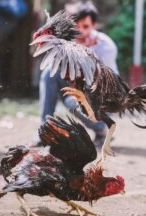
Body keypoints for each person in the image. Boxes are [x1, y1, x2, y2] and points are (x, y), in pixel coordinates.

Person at [38, 1, 119, 147]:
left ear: (94, 25)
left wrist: (86, 55)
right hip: (76, 88)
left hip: (102, 97)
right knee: (49, 73)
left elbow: (106, 84)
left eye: (86, 26)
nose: (80, 30)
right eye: (76, 26)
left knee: (73, 102)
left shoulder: (106, 47)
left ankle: (103, 129)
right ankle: (45, 130)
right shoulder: (66, 41)